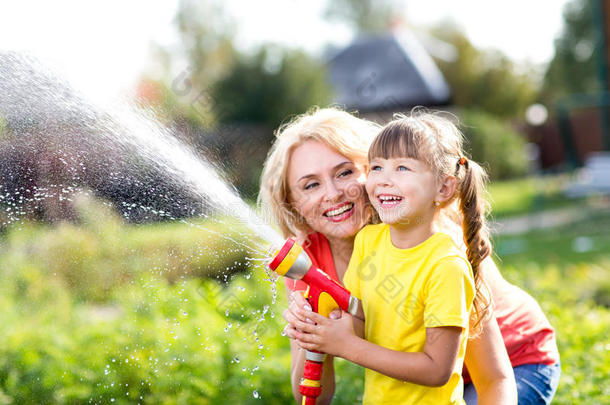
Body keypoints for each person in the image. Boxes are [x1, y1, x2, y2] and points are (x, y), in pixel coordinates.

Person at [259, 107, 557, 404]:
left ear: (372, 170)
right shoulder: (306, 264)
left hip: (516, 361)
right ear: (292, 203)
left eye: (345, 172)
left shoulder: (430, 239)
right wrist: (314, 338)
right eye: (311, 185)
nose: (333, 193)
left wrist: (347, 344)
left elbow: (493, 377)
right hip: (422, 386)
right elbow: (312, 397)